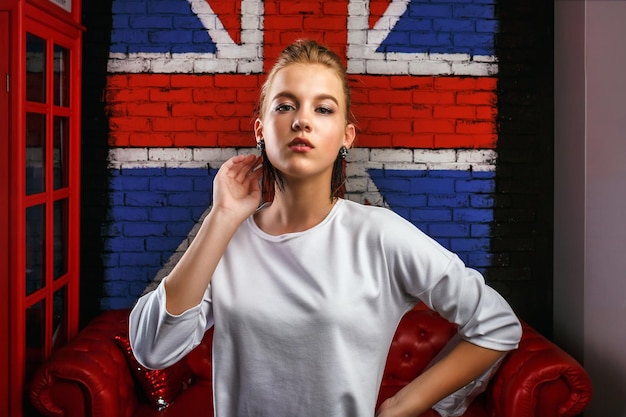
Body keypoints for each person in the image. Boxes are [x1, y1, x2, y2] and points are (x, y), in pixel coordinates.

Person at [129, 39, 522, 417]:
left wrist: (405, 404)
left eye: (323, 109)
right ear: (261, 131)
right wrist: (221, 218)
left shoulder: (379, 235)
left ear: (345, 137)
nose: (302, 120)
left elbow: (497, 325)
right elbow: (152, 349)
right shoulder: (226, 239)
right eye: (285, 106)